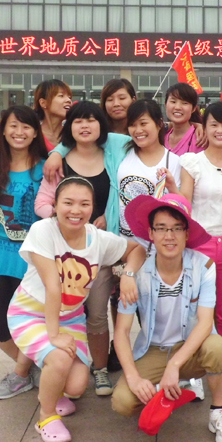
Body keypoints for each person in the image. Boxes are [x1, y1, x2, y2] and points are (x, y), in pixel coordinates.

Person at [8, 177, 146, 442]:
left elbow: (137, 249)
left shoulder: (98, 239)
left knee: (76, 386)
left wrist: (128, 274)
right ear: (55, 204)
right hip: (31, 312)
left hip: (70, 317)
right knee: (59, 358)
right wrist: (54, 335)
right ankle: (46, 416)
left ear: (93, 207)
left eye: (84, 204)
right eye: (68, 203)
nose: (76, 210)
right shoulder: (42, 230)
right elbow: (52, 287)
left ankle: (52, 389)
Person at [111, 194, 222, 442]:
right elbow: (122, 332)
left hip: (191, 348)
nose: (169, 236)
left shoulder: (204, 266)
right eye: (161, 228)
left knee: (218, 347)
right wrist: (134, 378)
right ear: (151, 233)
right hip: (154, 350)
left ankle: (218, 411)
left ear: (187, 233)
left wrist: (175, 364)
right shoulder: (136, 274)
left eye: (177, 228)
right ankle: (165, 388)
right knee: (123, 402)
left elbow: (205, 323)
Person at [36, 101, 131, 395]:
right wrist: (71, 222)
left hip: (112, 245)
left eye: (91, 120)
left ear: (102, 125)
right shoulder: (60, 162)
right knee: (89, 311)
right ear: (70, 126)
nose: (85, 126)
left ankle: (111, 366)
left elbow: (146, 135)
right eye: (78, 121)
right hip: (75, 252)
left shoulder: (114, 152)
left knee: (120, 308)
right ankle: (89, 366)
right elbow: (43, 202)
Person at [167, 101, 222, 399]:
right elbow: (185, 204)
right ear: (206, 127)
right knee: (193, 312)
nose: (220, 130)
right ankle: (195, 372)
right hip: (197, 246)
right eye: (214, 124)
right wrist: (173, 189)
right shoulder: (192, 161)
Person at [0, 105, 47, 399]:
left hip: (31, 263)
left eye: (26, 126)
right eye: (13, 126)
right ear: (3, 130)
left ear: (35, 132)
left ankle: (20, 375)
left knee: (30, 324)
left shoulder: (45, 168)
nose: (19, 132)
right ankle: (36, 368)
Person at [119, 99, 182, 247]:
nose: (137, 130)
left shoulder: (174, 162)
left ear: (159, 124)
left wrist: (172, 187)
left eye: (143, 123)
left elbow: (182, 207)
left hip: (157, 249)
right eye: (132, 124)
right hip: (123, 246)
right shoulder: (121, 151)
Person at [164, 83, 205, 155]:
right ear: (165, 104)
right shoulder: (160, 135)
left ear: (194, 108)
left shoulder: (201, 138)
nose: (177, 107)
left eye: (184, 103)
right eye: (173, 102)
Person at [33, 79, 73, 152]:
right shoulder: (33, 135)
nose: (68, 100)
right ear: (43, 103)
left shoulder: (73, 134)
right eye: (61, 96)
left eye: (69, 97)